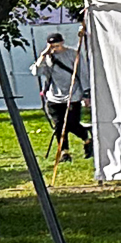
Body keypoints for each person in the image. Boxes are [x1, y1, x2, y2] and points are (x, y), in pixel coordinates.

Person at [35, 30, 89, 160]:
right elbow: (37, 72)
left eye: (57, 46)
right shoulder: (48, 57)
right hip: (54, 96)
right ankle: (64, 152)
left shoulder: (73, 54)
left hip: (72, 94)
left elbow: (83, 73)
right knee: (59, 125)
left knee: (72, 124)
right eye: (52, 46)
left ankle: (87, 140)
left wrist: (86, 93)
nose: (55, 49)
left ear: (62, 43)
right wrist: (43, 55)